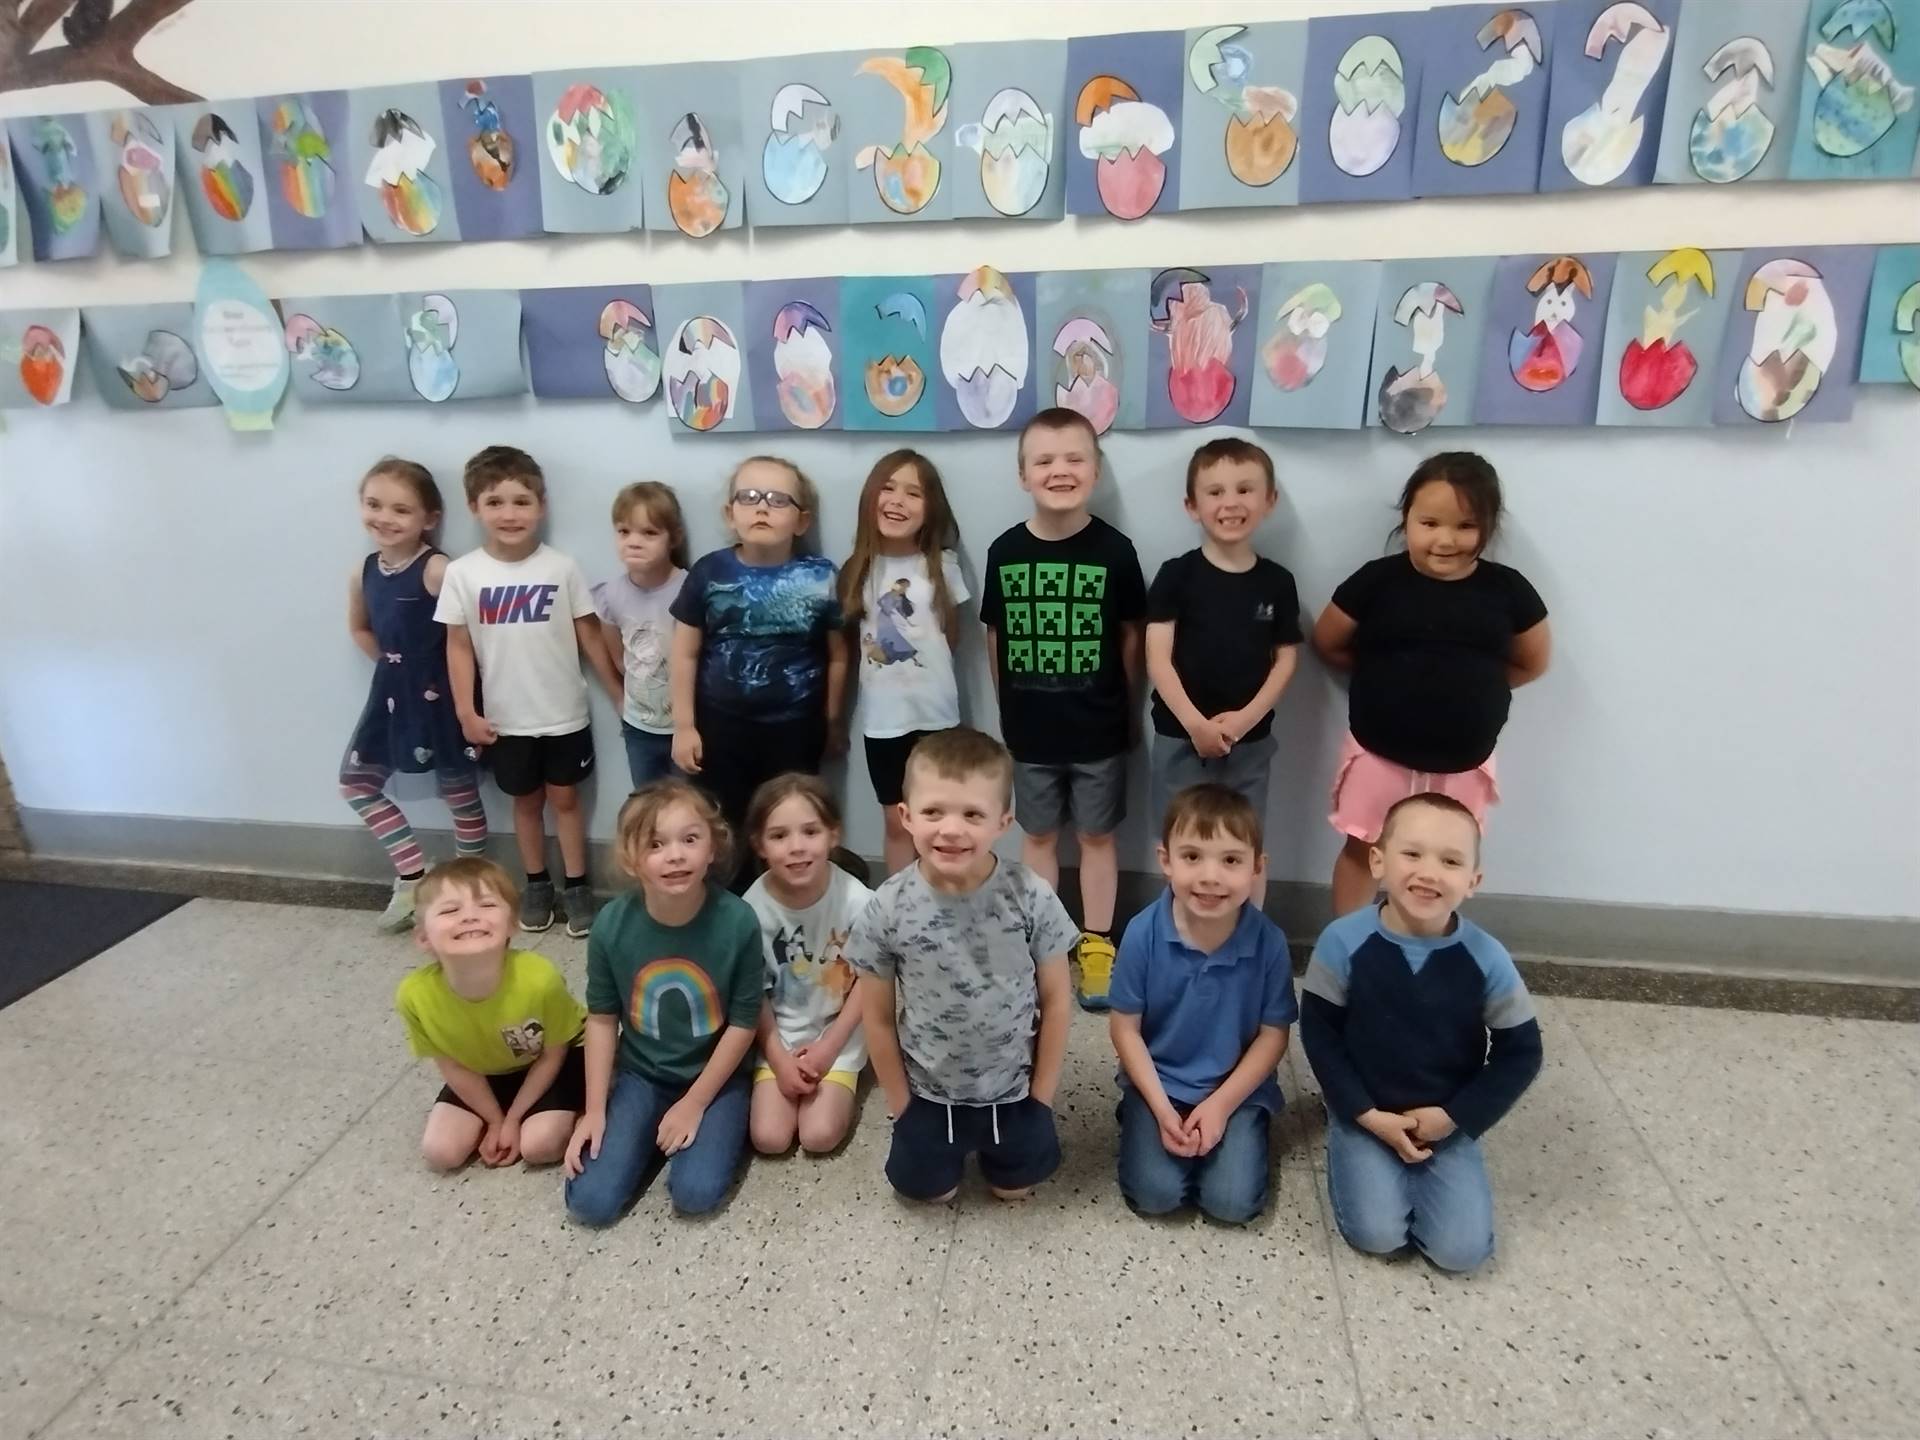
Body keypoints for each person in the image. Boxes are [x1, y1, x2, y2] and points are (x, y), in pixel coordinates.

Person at [1300, 792, 1543, 1272]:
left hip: (1444, 1119)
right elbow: (1319, 1033)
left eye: (1450, 861)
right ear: (1378, 860)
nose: (1428, 872)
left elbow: (1522, 1052)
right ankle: (1348, 1141)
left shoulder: (1486, 957)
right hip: (1364, 1108)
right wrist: (1363, 1113)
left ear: (1473, 881)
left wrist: (1455, 1116)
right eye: (1412, 854)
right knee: (1377, 1234)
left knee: (1461, 1253)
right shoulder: (1342, 941)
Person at [1312, 452, 1552, 916]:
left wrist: (1474, 688)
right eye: (1430, 523)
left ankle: (1423, 944)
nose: (1446, 539)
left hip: (1462, 765)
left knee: (1440, 861)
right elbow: (1329, 642)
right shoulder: (1376, 582)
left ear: (1488, 526)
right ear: (1407, 520)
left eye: (1465, 526)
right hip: (1377, 755)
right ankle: (1346, 947)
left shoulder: (1509, 591)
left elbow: (1532, 662)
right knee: (1363, 850)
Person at [846, 727, 1079, 1203]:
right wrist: (901, 1106)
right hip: (928, 1096)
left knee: (1014, 1190)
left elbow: (1057, 1002)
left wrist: (1042, 1099)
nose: (951, 829)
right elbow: (876, 1017)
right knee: (931, 1194)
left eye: (973, 814)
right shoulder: (887, 907)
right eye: (934, 812)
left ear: (1004, 821)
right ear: (906, 816)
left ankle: (1013, 1142)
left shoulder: (1031, 895)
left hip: (1014, 1092)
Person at [979, 407, 1146, 1011]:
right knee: (1040, 837)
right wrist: (1005, 708)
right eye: (1044, 460)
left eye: (1075, 458)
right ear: (1023, 474)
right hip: (1030, 730)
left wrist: (1125, 709)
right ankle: (1044, 945)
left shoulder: (1116, 551)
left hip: (1100, 727)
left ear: (1095, 471)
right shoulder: (1004, 551)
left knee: (1099, 837)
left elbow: (1131, 637)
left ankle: (1098, 944)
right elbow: (994, 637)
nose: (1060, 470)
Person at [435, 446, 623, 938]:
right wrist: (464, 712)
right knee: (525, 803)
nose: (510, 514)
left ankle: (577, 886)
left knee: (565, 800)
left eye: (521, 501)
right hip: (504, 719)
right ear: (474, 508)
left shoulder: (561, 567)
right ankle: (536, 882)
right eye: (495, 502)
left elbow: (588, 633)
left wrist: (619, 694)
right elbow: (456, 646)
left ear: (541, 505)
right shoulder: (463, 574)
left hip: (564, 715)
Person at [564, 781, 762, 1222]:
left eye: (690, 839)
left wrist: (694, 1102)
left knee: (695, 1194)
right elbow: (600, 1019)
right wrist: (594, 1109)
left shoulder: (739, 921)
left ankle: (688, 1127)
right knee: (590, 1203)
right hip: (642, 1075)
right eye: (655, 844)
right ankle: (646, 1134)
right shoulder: (611, 926)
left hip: (718, 1077)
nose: (675, 855)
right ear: (630, 860)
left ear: (712, 849)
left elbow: (745, 1023)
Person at [1109, 784, 1296, 1224]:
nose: (1210, 876)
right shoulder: (1142, 933)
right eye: (1192, 857)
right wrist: (1158, 1106)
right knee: (1156, 1195)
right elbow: (1124, 1029)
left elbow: (1274, 1037)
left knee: (1230, 1204)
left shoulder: (1269, 942)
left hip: (1236, 1088)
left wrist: (1221, 1106)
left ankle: (1246, 1126)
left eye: (1231, 860)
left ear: (1257, 868)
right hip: (1158, 1083)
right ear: (1166, 861)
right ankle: (1137, 1115)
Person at [669, 456, 848, 854]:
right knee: (725, 825)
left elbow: (838, 656)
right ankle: (733, 907)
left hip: (796, 729)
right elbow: (684, 653)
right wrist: (684, 725)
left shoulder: (823, 577)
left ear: (802, 521)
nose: (762, 506)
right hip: (720, 729)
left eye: (778, 499)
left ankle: (787, 903)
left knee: (790, 822)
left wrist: (833, 722)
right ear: (729, 513)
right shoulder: (709, 572)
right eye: (748, 497)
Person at [340, 457, 487, 931]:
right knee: (356, 783)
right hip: (390, 696)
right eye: (373, 504)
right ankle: (411, 878)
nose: (384, 518)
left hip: (440, 696)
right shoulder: (364, 570)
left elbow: (471, 636)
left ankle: (472, 887)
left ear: (429, 519)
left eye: (401, 510)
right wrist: (392, 666)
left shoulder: (438, 570)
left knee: (458, 791)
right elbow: (360, 628)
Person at [1145, 438, 1301, 832]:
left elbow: (1285, 659)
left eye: (1245, 490)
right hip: (1179, 736)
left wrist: (1246, 720)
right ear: (1192, 506)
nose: (1231, 503)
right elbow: (1157, 658)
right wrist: (1196, 725)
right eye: (1215, 492)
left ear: (1269, 500)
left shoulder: (1278, 582)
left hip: (1250, 740)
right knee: (1181, 838)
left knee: (1246, 841)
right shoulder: (1175, 575)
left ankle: (1250, 898)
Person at [393, 858, 586, 1171]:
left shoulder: (539, 978)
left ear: (512, 924)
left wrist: (513, 1119)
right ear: (423, 937)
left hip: (551, 1061)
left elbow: (553, 1054)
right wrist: (495, 1121)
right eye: (450, 910)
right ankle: (498, 1118)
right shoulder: (414, 996)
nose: (469, 917)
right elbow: (452, 1065)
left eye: (485, 905)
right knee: (440, 1153)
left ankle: (567, 1114)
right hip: (483, 1071)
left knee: (539, 1146)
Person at [838, 449, 969, 876]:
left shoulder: (943, 567)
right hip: (883, 721)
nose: (898, 500)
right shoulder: (858, 570)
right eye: (888, 488)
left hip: (937, 717)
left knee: (941, 821)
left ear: (931, 508)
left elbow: (950, 636)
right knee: (897, 824)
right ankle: (896, 911)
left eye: (914, 492)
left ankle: (944, 901)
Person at [743, 774, 874, 1156]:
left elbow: (871, 979)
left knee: (819, 1136)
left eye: (810, 832)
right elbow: (755, 995)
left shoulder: (858, 901)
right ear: (760, 845)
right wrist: (781, 1061)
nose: (797, 848)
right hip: (778, 1038)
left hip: (838, 1036)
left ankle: (847, 1077)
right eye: (780, 836)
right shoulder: (751, 911)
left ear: (833, 835)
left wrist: (830, 1048)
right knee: (769, 1138)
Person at [594, 481, 687, 791]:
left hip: (687, 727)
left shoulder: (691, 588)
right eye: (624, 532)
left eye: (649, 533)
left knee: (691, 806)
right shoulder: (611, 593)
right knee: (647, 806)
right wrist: (622, 700)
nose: (634, 542)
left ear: (673, 538)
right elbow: (617, 657)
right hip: (639, 727)